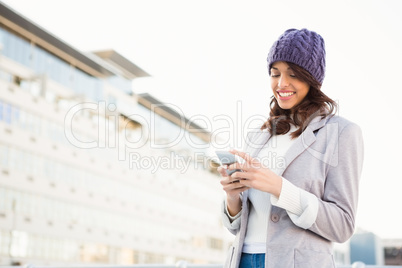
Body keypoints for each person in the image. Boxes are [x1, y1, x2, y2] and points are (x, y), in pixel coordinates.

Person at [218, 28, 364, 268]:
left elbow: (343, 225)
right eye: (275, 74)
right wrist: (233, 197)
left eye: (293, 74)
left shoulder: (342, 133)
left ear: (312, 78)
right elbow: (236, 226)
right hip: (241, 260)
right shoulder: (260, 135)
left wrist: (280, 189)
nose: (281, 83)